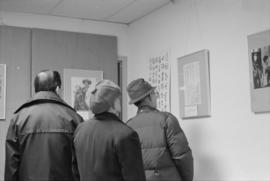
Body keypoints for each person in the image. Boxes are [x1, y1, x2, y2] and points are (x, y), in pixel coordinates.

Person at [5, 70, 83, 181]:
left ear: (35, 89)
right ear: (57, 88)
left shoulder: (18, 119)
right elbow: (82, 165)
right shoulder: (74, 118)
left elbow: (11, 165)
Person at [74, 79, 146, 181]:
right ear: (114, 102)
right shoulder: (126, 134)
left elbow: (75, 172)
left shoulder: (80, 130)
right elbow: (135, 177)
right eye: (118, 98)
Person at [127, 78, 194, 181]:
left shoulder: (128, 125)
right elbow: (182, 156)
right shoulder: (166, 119)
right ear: (148, 96)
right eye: (154, 93)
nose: (156, 97)